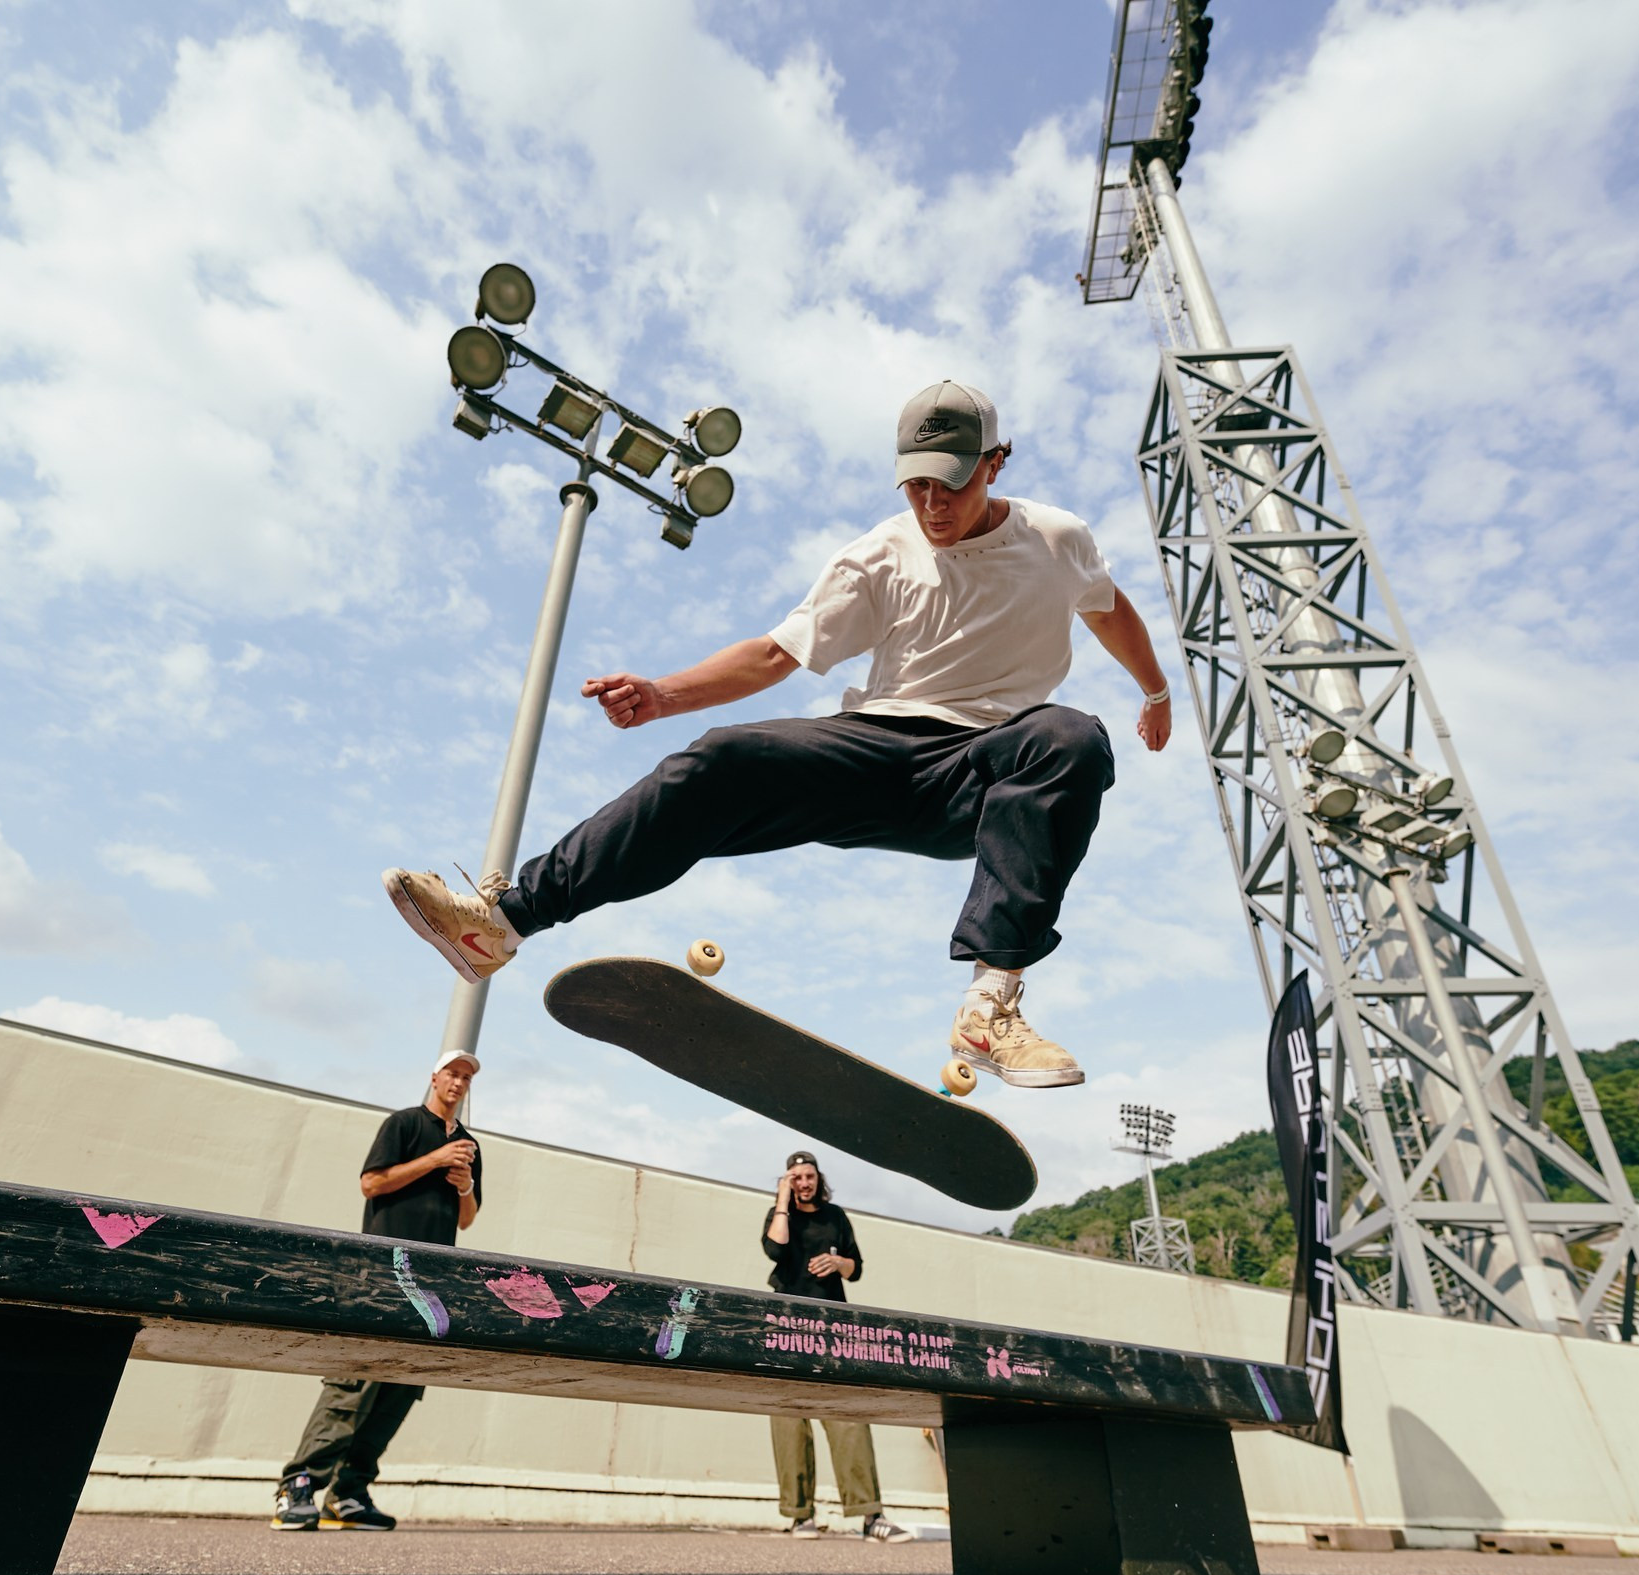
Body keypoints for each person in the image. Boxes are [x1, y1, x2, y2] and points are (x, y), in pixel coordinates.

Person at [382, 379, 1172, 1087]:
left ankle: (990, 1006)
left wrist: (1157, 688)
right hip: (876, 753)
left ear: (995, 463)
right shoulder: (877, 557)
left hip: (986, 771)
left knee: (1070, 735)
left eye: (953, 486)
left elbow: (1108, 609)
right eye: (917, 486)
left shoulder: (1057, 538)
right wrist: (662, 694)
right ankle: (504, 921)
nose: (933, 506)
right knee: (726, 757)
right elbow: (773, 655)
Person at [271, 1049, 483, 1532]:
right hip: (382, 1275)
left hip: (433, 1284)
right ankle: (299, 1485)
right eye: (452, 1072)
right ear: (434, 1076)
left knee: (401, 1386)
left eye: (467, 1076)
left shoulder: (469, 1146)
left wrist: (465, 1183)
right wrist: (434, 1160)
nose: (459, 1082)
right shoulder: (404, 1124)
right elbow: (371, 1184)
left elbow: (466, 1219)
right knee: (354, 1378)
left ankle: (347, 1494)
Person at [762, 1150, 913, 1543]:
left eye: (809, 1175)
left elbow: (856, 1268)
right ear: (786, 1182)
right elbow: (775, 1250)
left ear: (818, 1178)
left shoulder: (836, 1216)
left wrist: (837, 1263)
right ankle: (799, 1516)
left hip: (832, 1326)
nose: (803, 1182)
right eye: (794, 1176)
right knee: (789, 1419)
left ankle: (870, 1517)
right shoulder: (781, 1216)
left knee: (848, 1415)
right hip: (786, 1323)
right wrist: (781, 1201)